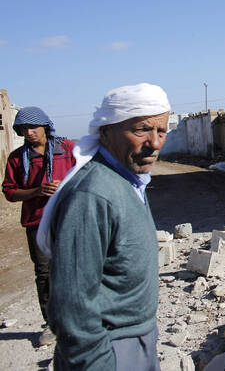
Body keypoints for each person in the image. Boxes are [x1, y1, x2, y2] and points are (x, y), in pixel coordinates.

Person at [37, 83, 170, 370]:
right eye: (141, 130)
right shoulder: (92, 194)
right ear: (106, 132)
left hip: (136, 341)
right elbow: (72, 306)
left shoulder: (127, 180)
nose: (155, 143)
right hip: (109, 349)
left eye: (161, 131)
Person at [2, 106, 76, 347]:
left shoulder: (66, 149)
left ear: (45, 126)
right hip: (37, 222)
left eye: (33, 127)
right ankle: (52, 324)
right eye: (24, 129)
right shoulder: (17, 158)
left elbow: (85, 174)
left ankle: (81, 318)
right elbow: (10, 192)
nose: (29, 132)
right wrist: (37, 190)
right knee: (45, 274)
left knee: (76, 269)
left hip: (69, 219)